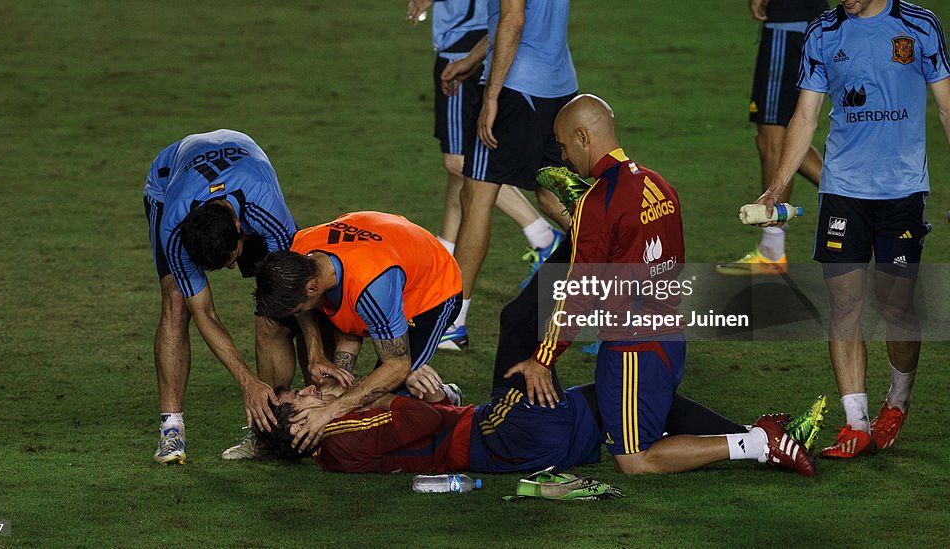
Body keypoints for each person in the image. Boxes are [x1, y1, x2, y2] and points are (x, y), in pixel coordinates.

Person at [253, 234, 817, 478]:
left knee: (594, 382)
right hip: (504, 432)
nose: (306, 388)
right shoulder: (344, 437)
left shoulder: (340, 439)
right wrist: (378, 397)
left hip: (496, 431)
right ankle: (758, 441)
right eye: (298, 399)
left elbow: (415, 414)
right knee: (607, 378)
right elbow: (413, 413)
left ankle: (758, 440)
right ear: (302, 427)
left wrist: (352, 395)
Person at [506, 95, 816, 476]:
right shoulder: (659, 185)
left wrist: (544, 359)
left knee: (635, 459)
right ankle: (756, 436)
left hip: (633, 346)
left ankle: (757, 443)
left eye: (565, 146)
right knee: (660, 415)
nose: (565, 158)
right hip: (670, 335)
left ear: (584, 137)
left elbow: (579, 289)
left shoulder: (598, 201)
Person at [749, 0, 950, 457]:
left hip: (902, 190)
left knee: (897, 308)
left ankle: (897, 401)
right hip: (843, 189)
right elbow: (806, 116)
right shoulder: (823, 33)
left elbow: (947, 107)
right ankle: (856, 422)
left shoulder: (919, 27)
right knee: (843, 304)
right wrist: (776, 188)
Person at [406, 0, 562, 351]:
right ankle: (602, 291)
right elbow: (518, 5)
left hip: (516, 78)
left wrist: (489, 90)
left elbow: (506, 11)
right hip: (555, 74)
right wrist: (478, 57)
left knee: (475, 187)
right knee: (546, 192)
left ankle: (455, 319)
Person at [145, 129, 344, 465]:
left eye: (234, 257)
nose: (234, 267)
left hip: (246, 172)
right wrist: (247, 382)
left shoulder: (266, 209)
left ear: (240, 227)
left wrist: (316, 353)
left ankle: (278, 426)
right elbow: (205, 314)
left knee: (274, 311)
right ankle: (171, 430)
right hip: (168, 182)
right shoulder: (175, 227)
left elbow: (299, 289)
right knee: (178, 303)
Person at [705, 0, 839, 275]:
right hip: (806, 19)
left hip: (791, 25)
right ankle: (776, 246)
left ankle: (774, 249)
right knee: (781, 139)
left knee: (772, 140)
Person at [253, 211, 463, 454]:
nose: (300, 312)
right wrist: (319, 357)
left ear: (312, 287)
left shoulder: (372, 286)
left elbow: (397, 365)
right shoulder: (301, 250)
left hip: (433, 291)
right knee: (356, 398)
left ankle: (447, 398)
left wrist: (332, 409)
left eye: (297, 307)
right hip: (391, 251)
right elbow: (344, 315)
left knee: (387, 405)